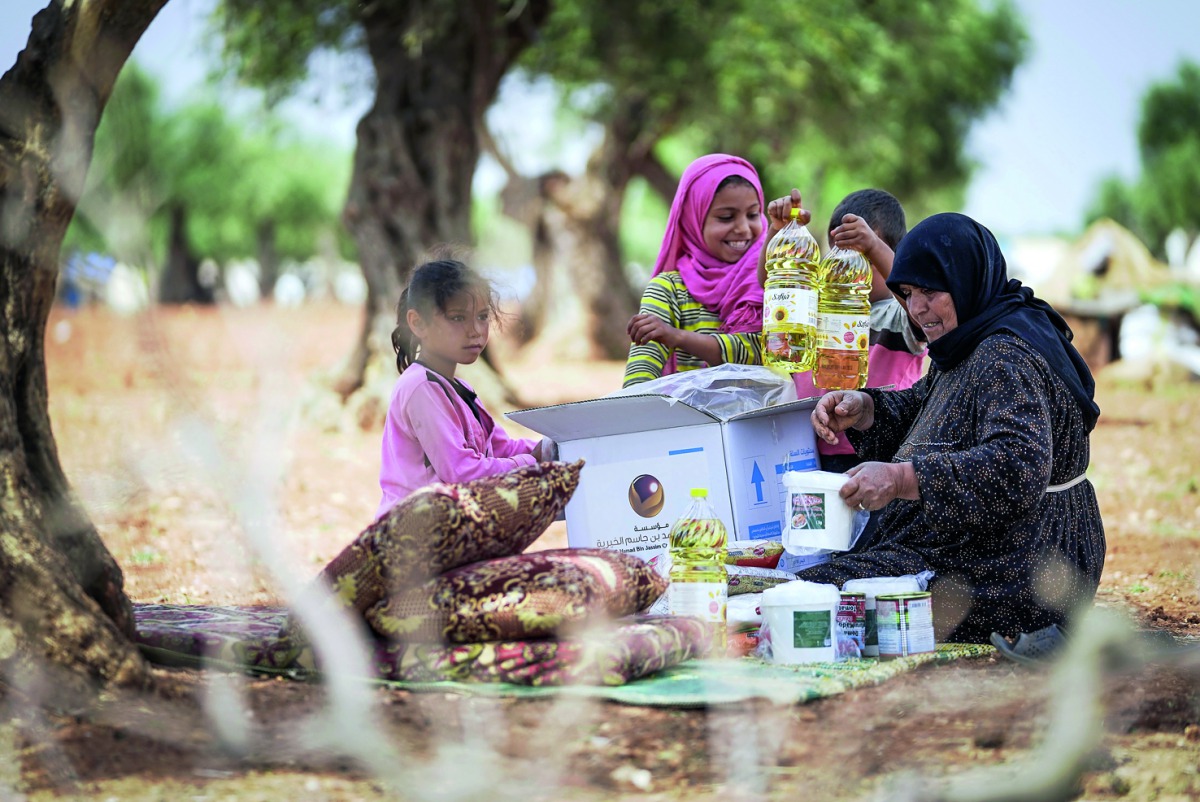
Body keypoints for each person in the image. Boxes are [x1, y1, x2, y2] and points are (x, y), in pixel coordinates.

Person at [795, 212, 1105, 645]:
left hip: (1022, 564)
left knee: (814, 597)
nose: (918, 309)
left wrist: (902, 478)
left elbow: (1017, 467)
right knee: (817, 587)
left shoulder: (1004, 356)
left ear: (966, 278)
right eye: (907, 293)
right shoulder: (974, 337)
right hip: (987, 545)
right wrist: (864, 408)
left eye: (929, 292)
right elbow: (930, 407)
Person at [378, 259, 556, 517]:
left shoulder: (459, 388)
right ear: (418, 323)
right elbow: (461, 473)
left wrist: (550, 448)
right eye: (458, 318)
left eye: (482, 317)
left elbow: (500, 449)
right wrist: (531, 463)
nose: (475, 331)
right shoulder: (420, 387)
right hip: (414, 530)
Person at [623, 154, 767, 387]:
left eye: (753, 215)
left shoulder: (772, 280)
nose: (743, 228)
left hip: (764, 421)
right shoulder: (669, 290)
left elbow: (763, 351)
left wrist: (677, 337)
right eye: (726, 217)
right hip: (691, 421)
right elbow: (641, 374)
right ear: (693, 219)